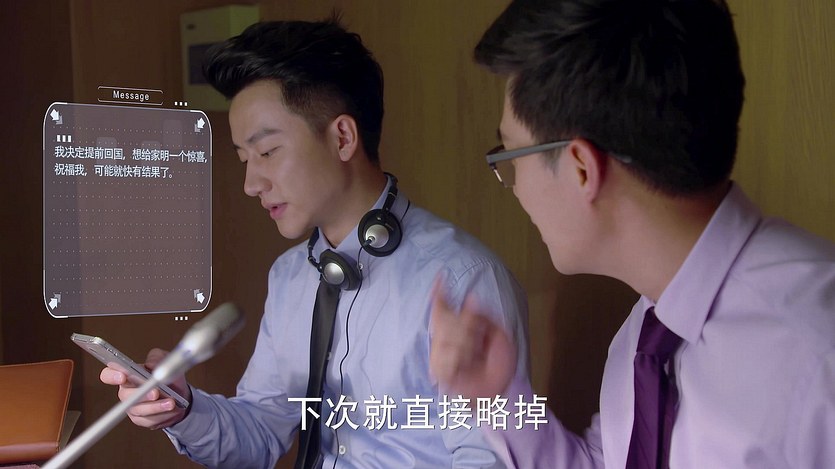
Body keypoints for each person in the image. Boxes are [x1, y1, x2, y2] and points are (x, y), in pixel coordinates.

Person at [100, 18, 529, 469]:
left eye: (267, 152)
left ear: (342, 138)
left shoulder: (464, 278)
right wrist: (182, 408)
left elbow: (490, 459)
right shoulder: (290, 275)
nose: (251, 183)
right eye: (244, 159)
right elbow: (262, 430)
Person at [429, 0, 835, 467]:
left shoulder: (816, 351)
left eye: (512, 157)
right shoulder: (646, 336)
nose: (515, 188)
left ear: (581, 169)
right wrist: (496, 398)